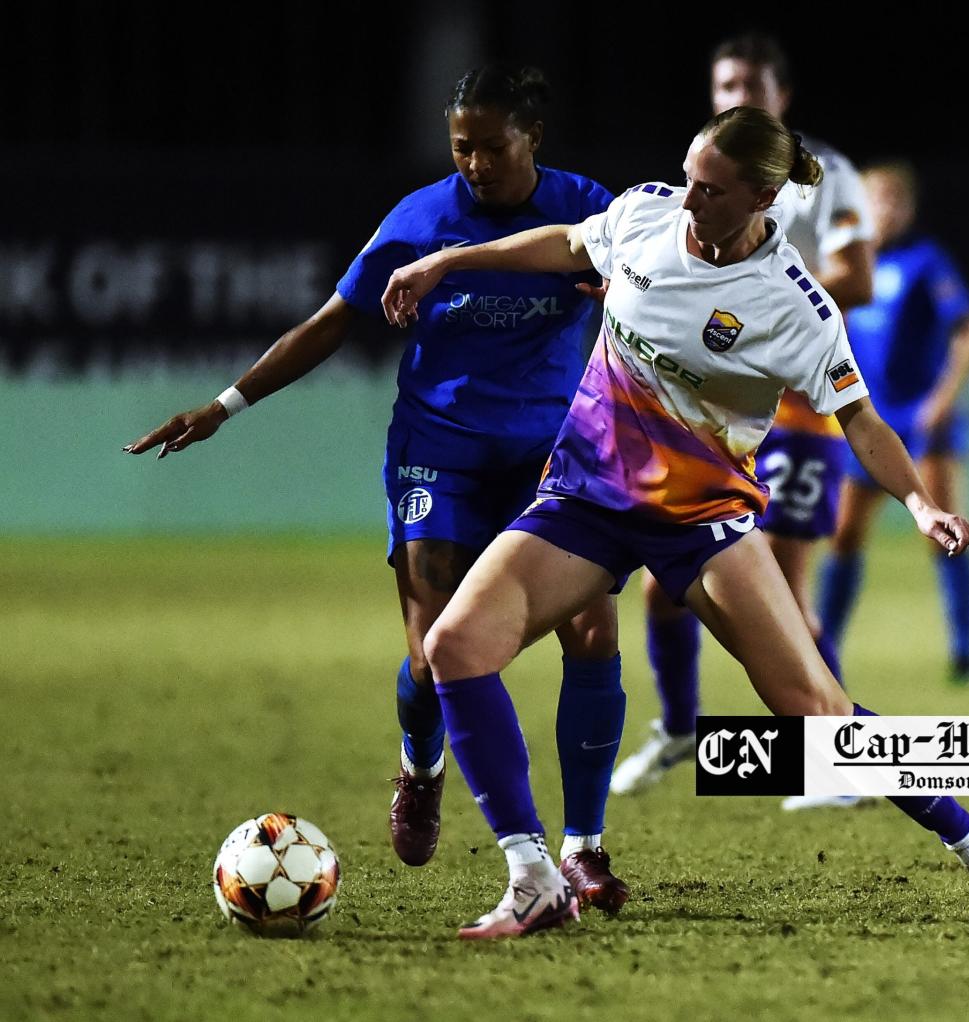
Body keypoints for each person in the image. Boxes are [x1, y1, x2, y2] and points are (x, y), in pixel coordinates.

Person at [380, 106, 969, 939]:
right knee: (455, 647)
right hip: (585, 502)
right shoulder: (645, 215)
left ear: (763, 197)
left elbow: (862, 422)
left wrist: (920, 503)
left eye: (709, 189)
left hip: (700, 523)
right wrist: (449, 260)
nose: (688, 198)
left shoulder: (792, 307)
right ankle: (533, 876)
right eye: (689, 176)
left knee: (816, 713)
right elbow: (565, 244)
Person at [123, 65, 630, 913]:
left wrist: (624, 303)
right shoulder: (420, 221)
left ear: (533, 139)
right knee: (434, 654)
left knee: (591, 625)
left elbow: (647, 300)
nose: (474, 163)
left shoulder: (590, 212)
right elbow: (332, 320)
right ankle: (422, 766)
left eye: (492, 147)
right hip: (441, 455)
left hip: (552, 457)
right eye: (461, 146)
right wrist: (225, 404)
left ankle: (584, 850)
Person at [610, 32, 876, 796]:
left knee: (785, 596)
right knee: (665, 586)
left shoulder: (826, 178)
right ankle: (680, 728)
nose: (737, 98)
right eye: (726, 84)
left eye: (752, 87)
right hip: (706, 418)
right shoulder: (708, 170)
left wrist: (761, 294)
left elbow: (855, 276)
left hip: (791, 412)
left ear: (782, 97)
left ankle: (831, 760)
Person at [817, 161, 969, 689]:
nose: (884, 209)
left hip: (920, 421)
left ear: (908, 207)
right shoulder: (848, 263)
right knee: (844, 534)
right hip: (867, 420)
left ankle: (964, 652)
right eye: (876, 198)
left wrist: (942, 399)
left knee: (945, 531)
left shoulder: (925, 261)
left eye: (894, 199)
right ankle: (825, 645)